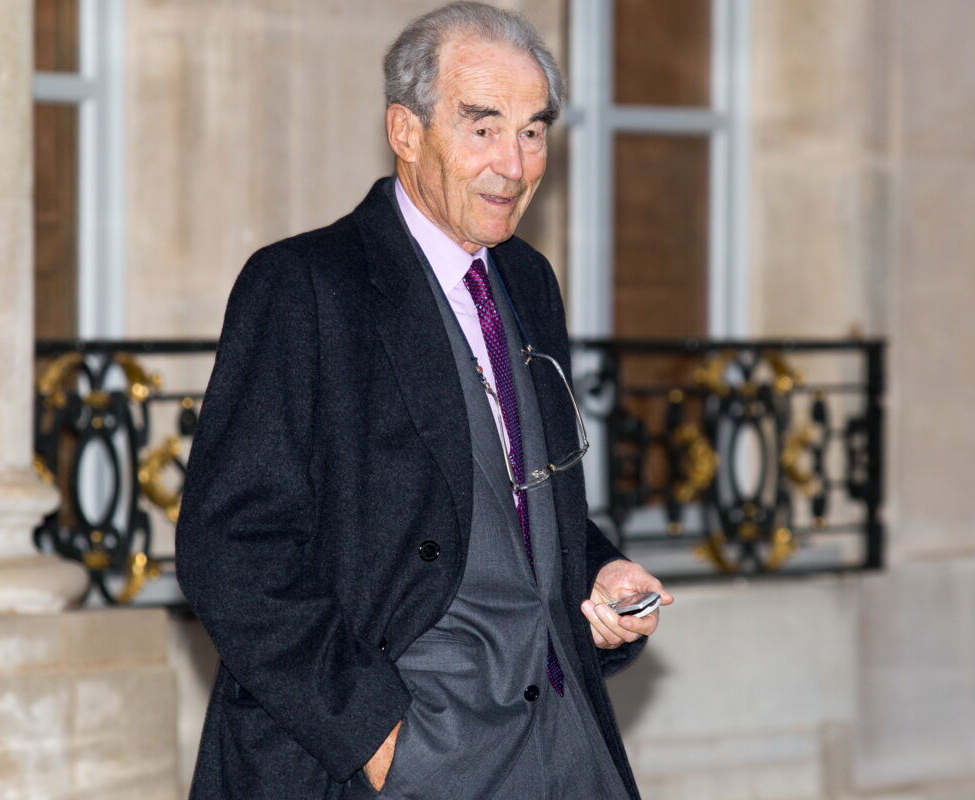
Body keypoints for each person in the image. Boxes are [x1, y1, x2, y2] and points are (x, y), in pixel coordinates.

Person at [175, 3, 671, 798]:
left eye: (533, 131)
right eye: (484, 128)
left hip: (566, 744)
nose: (515, 164)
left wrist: (599, 572)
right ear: (405, 132)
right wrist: (378, 740)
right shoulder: (305, 285)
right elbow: (230, 549)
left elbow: (512, 502)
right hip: (405, 754)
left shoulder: (529, 280)